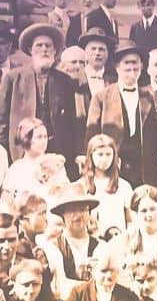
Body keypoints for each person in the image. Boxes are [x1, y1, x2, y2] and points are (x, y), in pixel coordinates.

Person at [0, 23, 82, 178]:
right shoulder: (13, 78)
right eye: (39, 45)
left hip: (56, 153)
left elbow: (72, 122)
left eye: (48, 46)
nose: (44, 49)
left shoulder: (65, 81)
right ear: (30, 50)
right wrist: (3, 152)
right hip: (21, 152)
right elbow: (2, 121)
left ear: (55, 51)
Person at [86, 40, 157, 187]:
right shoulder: (101, 98)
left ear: (141, 66)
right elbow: (92, 138)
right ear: (117, 66)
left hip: (146, 172)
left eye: (135, 63)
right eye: (127, 63)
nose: (131, 67)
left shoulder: (152, 98)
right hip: (113, 171)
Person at [39, 184, 102, 299]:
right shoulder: (53, 247)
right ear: (63, 213)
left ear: (89, 212)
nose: (77, 216)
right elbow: (60, 286)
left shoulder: (101, 246)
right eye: (72, 210)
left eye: (82, 209)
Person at [81, 133, 132, 236]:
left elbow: (131, 219)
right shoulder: (81, 186)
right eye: (100, 154)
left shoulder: (123, 186)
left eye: (108, 154)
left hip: (119, 238)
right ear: (91, 155)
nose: (104, 159)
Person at [1, 117, 57, 207]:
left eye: (45, 137)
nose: (44, 141)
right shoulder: (16, 168)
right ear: (26, 139)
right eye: (39, 137)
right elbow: (5, 201)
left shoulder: (55, 163)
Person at [117, 185, 157, 267]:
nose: (149, 215)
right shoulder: (128, 237)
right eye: (144, 211)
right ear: (136, 213)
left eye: (152, 209)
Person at [78, 27, 115, 98]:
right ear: (85, 53)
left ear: (107, 55)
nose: (97, 53)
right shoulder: (77, 78)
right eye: (93, 49)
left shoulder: (115, 79)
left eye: (101, 49)